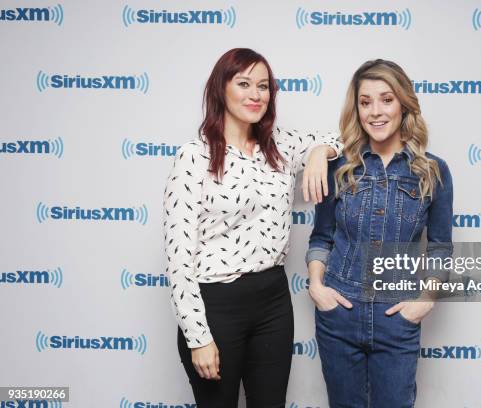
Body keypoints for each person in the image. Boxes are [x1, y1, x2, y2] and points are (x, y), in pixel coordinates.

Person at [163, 48, 341, 408]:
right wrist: (198, 337)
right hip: (216, 305)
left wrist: (322, 153)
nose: (255, 94)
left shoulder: (281, 145)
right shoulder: (193, 156)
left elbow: (340, 138)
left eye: (263, 86)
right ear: (221, 89)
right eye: (244, 83)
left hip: (272, 302)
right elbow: (177, 257)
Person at [306, 59, 453, 408]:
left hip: (396, 320)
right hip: (338, 314)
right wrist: (316, 286)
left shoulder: (433, 171)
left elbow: (440, 246)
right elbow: (321, 237)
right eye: (365, 101)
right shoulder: (338, 167)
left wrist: (425, 301)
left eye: (386, 99)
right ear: (356, 108)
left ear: (403, 103)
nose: (376, 111)